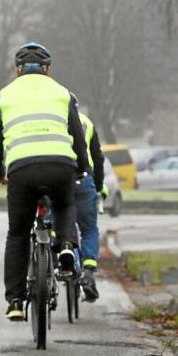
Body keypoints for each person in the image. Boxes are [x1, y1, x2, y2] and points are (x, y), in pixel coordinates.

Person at [0, 42, 89, 322]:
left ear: (17, 70)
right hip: (60, 166)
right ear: (48, 69)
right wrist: (82, 168)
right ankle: (66, 245)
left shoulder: (5, 94)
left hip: (22, 169)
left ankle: (16, 301)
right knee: (66, 205)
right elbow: (77, 134)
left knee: (17, 234)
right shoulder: (62, 93)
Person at [75, 111, 108, 302]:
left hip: (56, 177)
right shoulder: (87, 121)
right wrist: (99, 186)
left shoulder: (49, 115)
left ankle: (58, 254)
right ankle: (88, 271)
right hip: (84, 179)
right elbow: (98, 158)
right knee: (89, 229)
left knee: (56, 219)